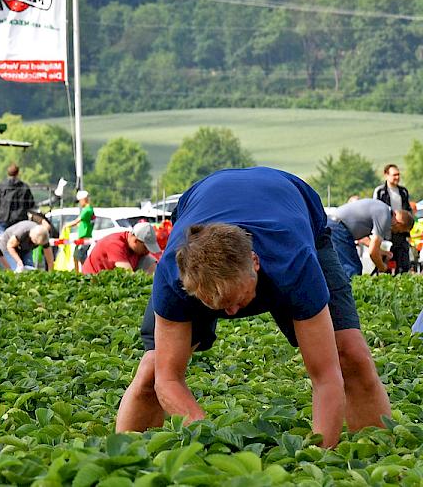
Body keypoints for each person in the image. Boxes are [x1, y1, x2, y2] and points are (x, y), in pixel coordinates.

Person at [115, 167, 390, 449]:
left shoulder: (294, 262)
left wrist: (318, 458)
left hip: (293, 206)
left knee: (349, 352)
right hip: (201, 204)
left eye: (237, 300)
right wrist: (209, 437)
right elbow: (167, 379)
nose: (231, 313)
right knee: (152, 368)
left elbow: (326, 377)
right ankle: (125, 461)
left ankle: (379, 456)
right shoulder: (174, 274)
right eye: (217, 305)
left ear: (255, 263)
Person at [329, 198, 411, 277]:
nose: (396, 232)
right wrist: (383, 267)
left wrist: (381, 251)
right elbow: (372, 253)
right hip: (338, 228)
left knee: (340, 268)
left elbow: (363, 239)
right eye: (400, 231)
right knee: (352, 269)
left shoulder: (384, 210)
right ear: (400, 223)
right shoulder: (385, 217)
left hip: (335, 225)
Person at [373, 164, 413, 274]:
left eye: (398, 175)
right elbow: (376, 210)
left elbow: (408, 211)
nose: (397, 177)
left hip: (400, 232)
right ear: (386, 175)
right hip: (386, 233)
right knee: (386, 262)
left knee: (403, 264)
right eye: (394, 175)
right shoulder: (380, 191)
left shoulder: (403, 192)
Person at [80, 222, 162, 275]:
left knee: (150, 262)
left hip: (112, 278)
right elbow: (127, 274)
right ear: (135, 241)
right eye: (145, 247)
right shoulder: (115, 244)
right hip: (93, 281)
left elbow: (152, 265)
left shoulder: (137, 249)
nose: (147, 251)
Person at [0, 164, 37, 233]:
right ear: (18, 173)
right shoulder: (24, 187)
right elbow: (31, 204)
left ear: (7, 173)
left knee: (2, 239)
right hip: (20, 219)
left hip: (4, 218)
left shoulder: (1, 186)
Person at [62, 190, 96, 266]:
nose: (80, 203)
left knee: (81, 257)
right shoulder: (90, 209)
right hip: (84, 236)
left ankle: (85, 273)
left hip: (84, 237)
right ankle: (80, 273)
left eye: (80, 201)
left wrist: (67, 225)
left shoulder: (86, 210)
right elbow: (83, 223)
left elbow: (77, 221)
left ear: (83, 199)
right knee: (77, 257)